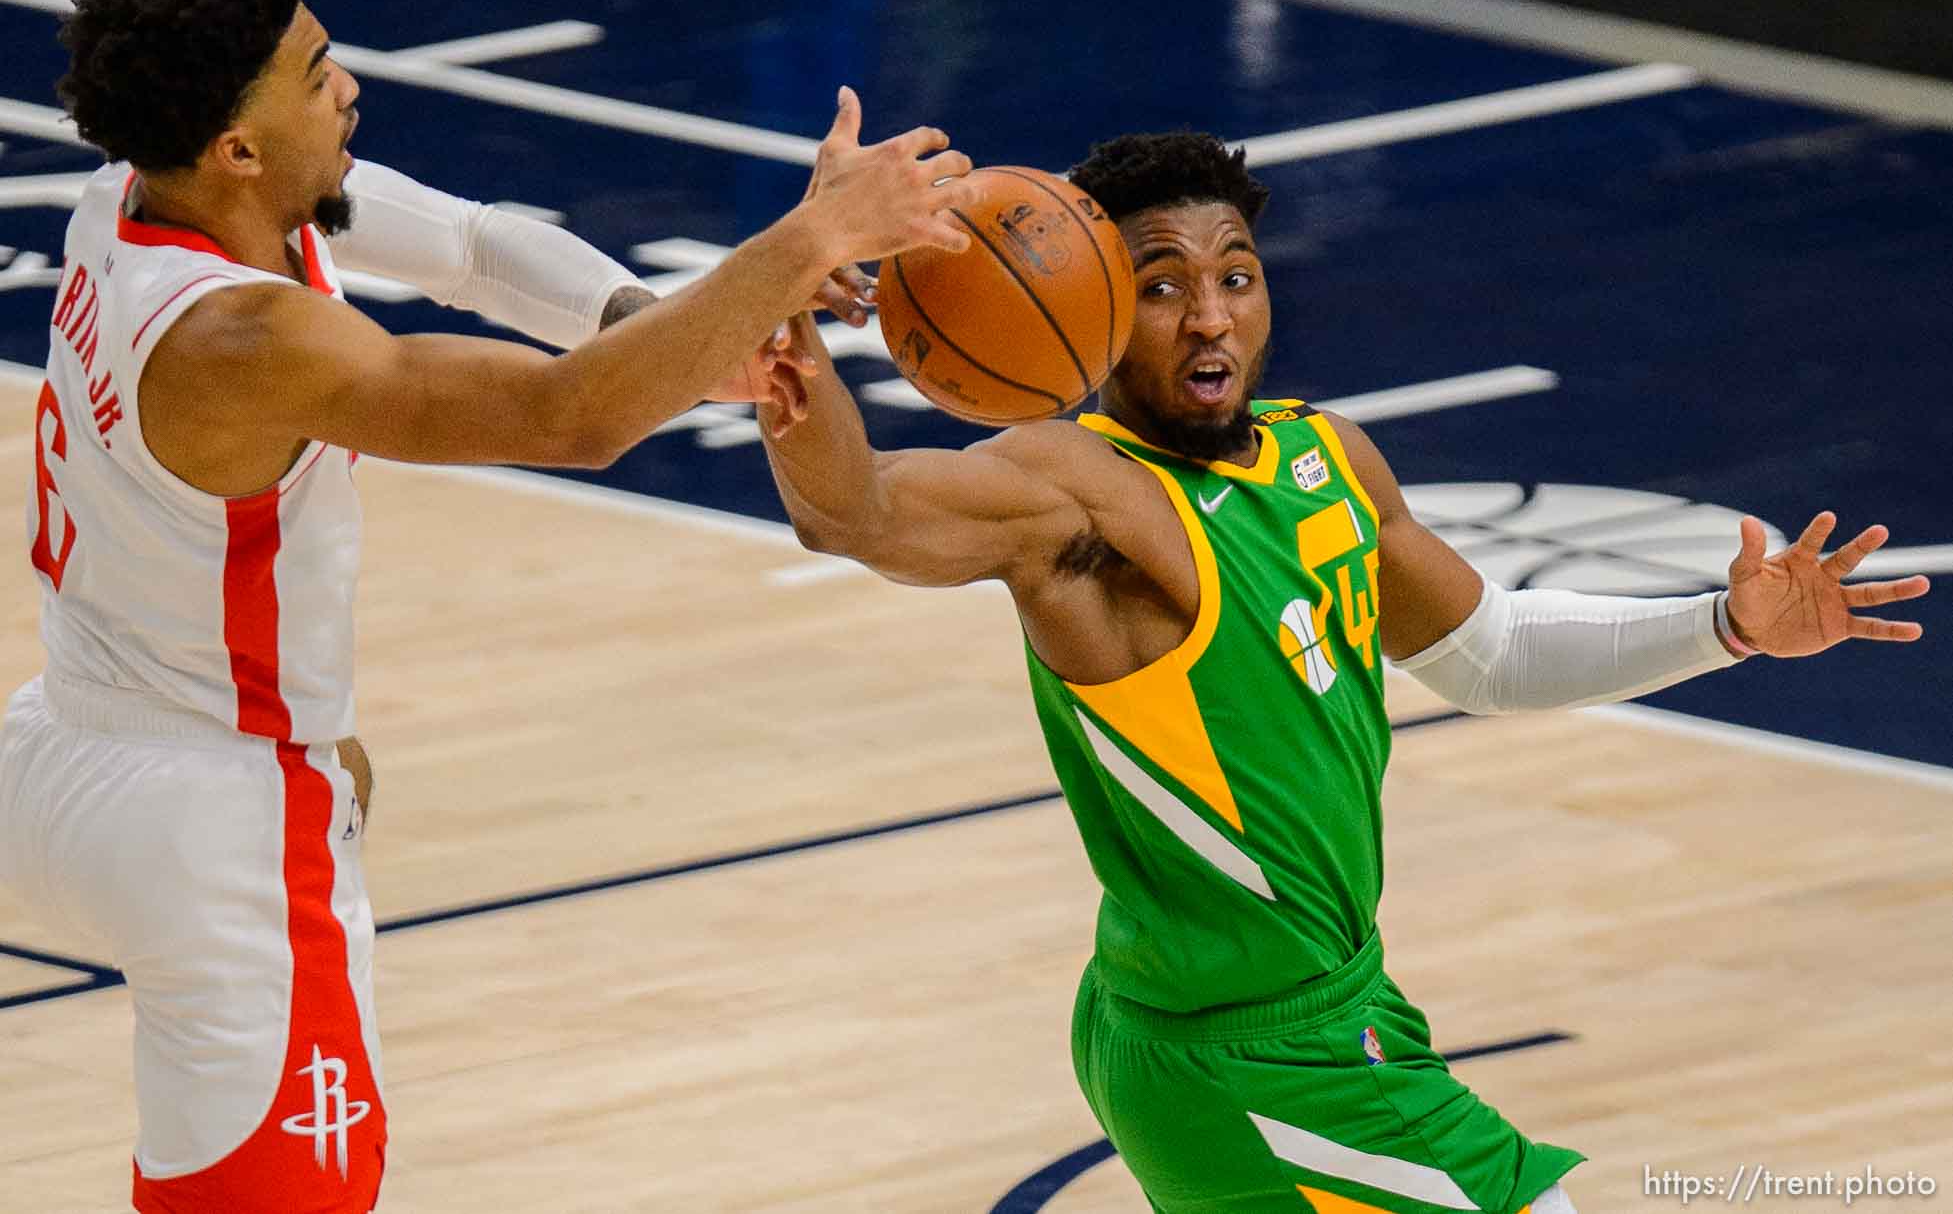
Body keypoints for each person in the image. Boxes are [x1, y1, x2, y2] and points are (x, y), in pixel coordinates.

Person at [755, 131, 1929, 1214]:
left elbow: (1494, 652)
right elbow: (851, 512)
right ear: (1097, 306)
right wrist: (790, 300)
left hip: (1331, 1006)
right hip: (1242, 1047)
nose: (1210, 318)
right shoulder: (1077, 492)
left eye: (1236, 275)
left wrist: (1724, 624)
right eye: (1160, 286)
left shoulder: (1325, 457)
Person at [0, 0, 977, 1213]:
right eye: (315, 71)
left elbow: (468, 248)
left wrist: (665, 330)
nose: (348, 85)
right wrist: (802, 244)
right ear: (238, 145)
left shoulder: (141, 197)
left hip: (62, 743)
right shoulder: (249, 341)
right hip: (216, 826)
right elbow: (566, 421)